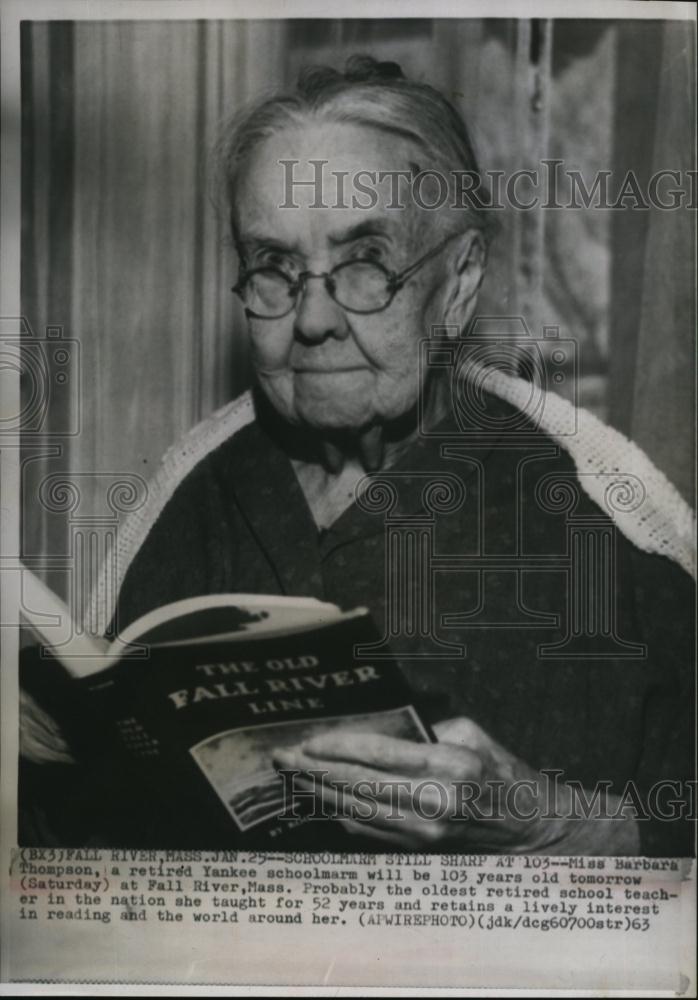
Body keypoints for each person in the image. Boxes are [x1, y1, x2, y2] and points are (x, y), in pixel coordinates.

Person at [22, 56, 695, 855]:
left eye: (364, 264)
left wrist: (553, 827)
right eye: (273, 267)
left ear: (461, 280)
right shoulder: (185, 497)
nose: (310, 319)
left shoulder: (605, 514)